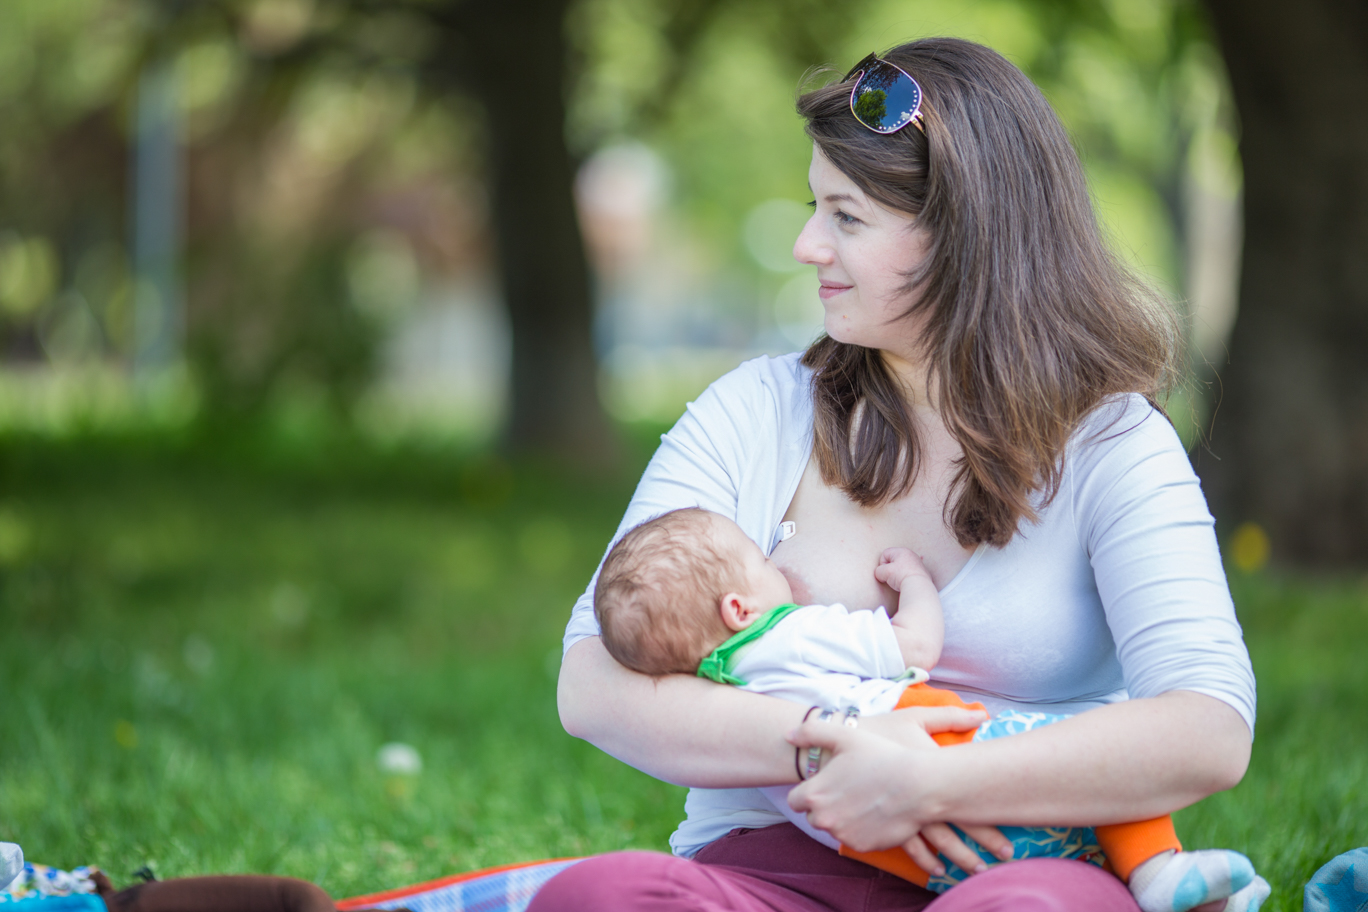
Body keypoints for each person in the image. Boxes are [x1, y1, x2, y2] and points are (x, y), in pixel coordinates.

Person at [533, 36, 1257, 912]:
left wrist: (937, 783)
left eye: (847, 216)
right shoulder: (757, 410)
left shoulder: (1112, 445)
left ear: (962, 237)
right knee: (598, 895)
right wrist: (826, 744)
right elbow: (592, 683)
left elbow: (1209, 726)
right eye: (816, 206)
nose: (807, 244)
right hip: (772, 869)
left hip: (1016, 872)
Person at [591, 506, 1266, 912]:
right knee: (1103, 779)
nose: (775, 563)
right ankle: (1158, 871)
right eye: (759, 559)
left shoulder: (724, 685)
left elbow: (1210, 726)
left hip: (870, 835)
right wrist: (912, 580)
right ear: (737, 609)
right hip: (953, 744)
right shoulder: (794, 630)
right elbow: (914, 644)